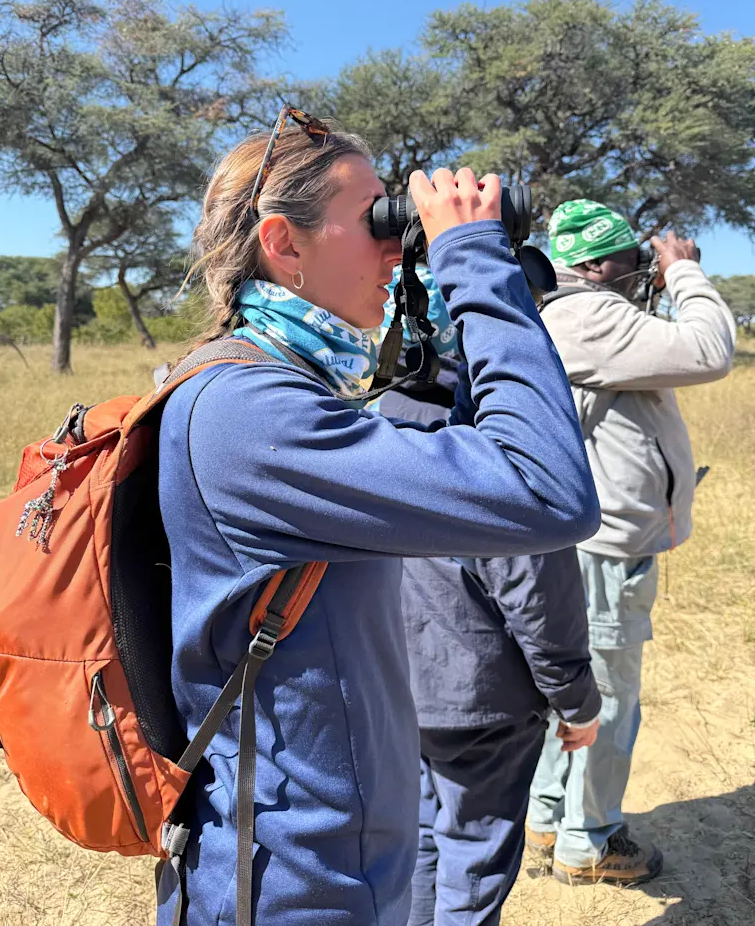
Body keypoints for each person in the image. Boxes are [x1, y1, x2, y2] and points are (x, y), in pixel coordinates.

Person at [157, 109, 600, 925]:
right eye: (376, 221)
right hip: (290, 884)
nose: (399, 248)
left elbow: (488, 479)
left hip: (339, 861)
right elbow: (546, 489)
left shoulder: (287, 392)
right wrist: (473, 257)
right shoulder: (251, 414)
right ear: (284, 244)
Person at [379, 268, 602, 925]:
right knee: (475, 862)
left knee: (423, 837)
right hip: (481, 703)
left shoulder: (367, 420)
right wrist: (576, 698)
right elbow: (536, 591)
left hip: (397, 688)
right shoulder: (493, 438)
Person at [527, 199, 737, 886]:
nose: (643, 267)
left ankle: (548, 817)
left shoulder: (576, 315)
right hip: (609, 548)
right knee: (609, 695)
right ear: (592, 265)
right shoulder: (591, 315)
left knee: (577, 687)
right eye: (630, 258)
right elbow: (710, 349)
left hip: (589, 539)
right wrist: (685, 273)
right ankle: (589, 841)